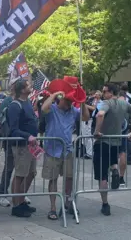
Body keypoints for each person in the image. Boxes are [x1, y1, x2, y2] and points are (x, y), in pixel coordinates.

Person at [41, 80, 89, 220]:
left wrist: (82, 101)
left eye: (72, 102)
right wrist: (55, 94)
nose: (70, 104)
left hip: (67, 150)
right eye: (69, 101)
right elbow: (44, 108)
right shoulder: (53, 109)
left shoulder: (73, 111)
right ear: (62, 99)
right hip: (52, 150)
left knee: (69, 178)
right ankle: (53, 208)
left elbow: (85, 117)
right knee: (53, 179)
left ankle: (68, 203)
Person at [93, 83, 131, 216]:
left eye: (104, 91)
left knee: (102, 176)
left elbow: (100, 114)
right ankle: (114, 169)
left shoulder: (106, 103)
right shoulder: (124, 104)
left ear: (111, 92)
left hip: (102, 142)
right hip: (116, 141)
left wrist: (97, 131)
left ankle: (105, 204)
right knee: (113, 160)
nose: (103, 93)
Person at [7, 79, 39, 218]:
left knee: (31, 173)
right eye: (27, 85)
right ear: (21, 89)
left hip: (31, 145)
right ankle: (16, 206)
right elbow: (13, 129)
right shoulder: (15, 105)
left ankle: (21, 200)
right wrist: (28, 136)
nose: (30, 86)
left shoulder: (28, 103)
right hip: (21, 146)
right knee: (20, 174)